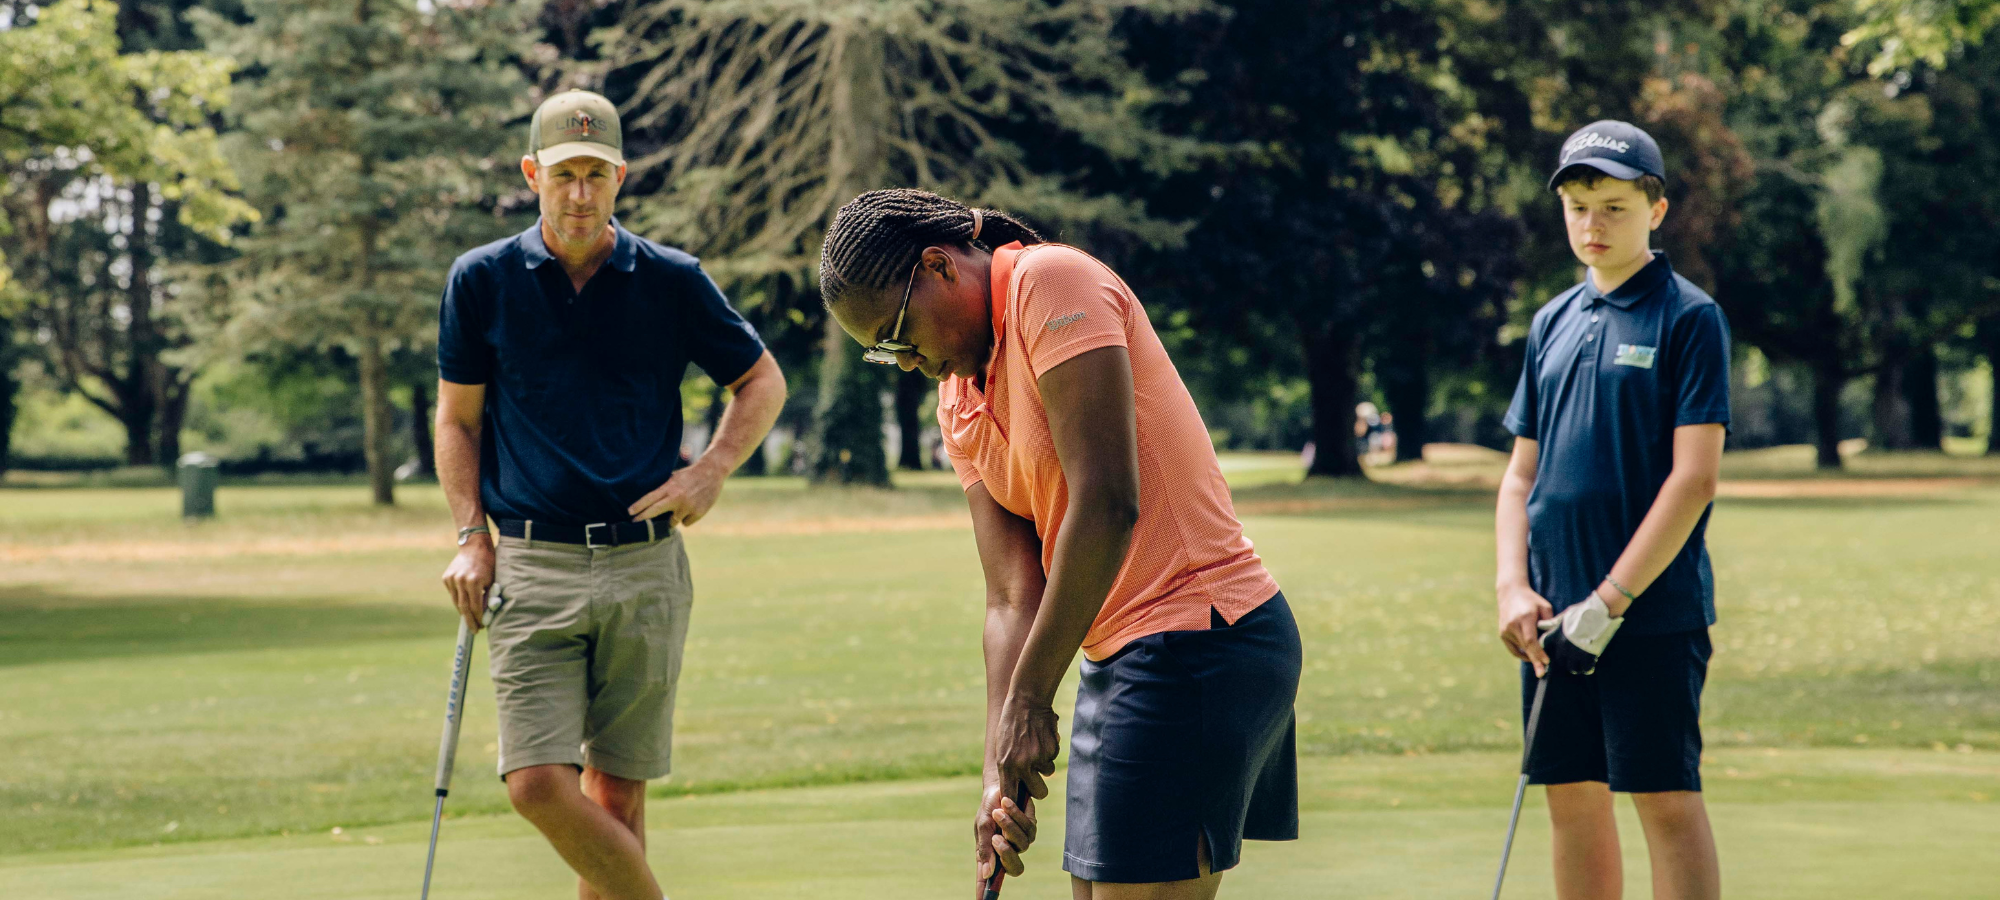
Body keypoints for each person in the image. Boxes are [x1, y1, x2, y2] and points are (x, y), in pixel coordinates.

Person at [818, 189, 1302, 900]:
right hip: (1122, 656)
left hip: (1200, 635)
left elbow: (1106, 504)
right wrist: (996, 771)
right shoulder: (958, 400)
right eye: (882, 354)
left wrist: (1030, 702)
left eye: (897, 334)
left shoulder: (1052, 284)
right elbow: (1012, 594)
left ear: (940, 267)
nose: (906, 362)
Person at [433, 89, 786, 900]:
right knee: (536, 783)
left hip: (645, 567)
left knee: (618, 798)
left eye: (596, 174)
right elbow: (457, 421)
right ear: (533, 175)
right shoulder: (482, 279)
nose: (580, 193)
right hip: (532, 563)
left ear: (620, 177)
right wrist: (471, 536)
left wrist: (711, 470)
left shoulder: (672, 280)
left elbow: (761, 380)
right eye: (564, 175)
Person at [1495, 120, 1730, 900]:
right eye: (1578, 207)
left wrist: (1608, 604)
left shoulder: (1688, 317)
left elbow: (1693, 480)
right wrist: (1511, 586)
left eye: (1615, 208)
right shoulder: (1552, 322)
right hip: (1551, 617)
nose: (1592, 225)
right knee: (1572, 803)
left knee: (1665, 802)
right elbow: (1520, 477)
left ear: (1655, 210)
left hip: (1649, 614)